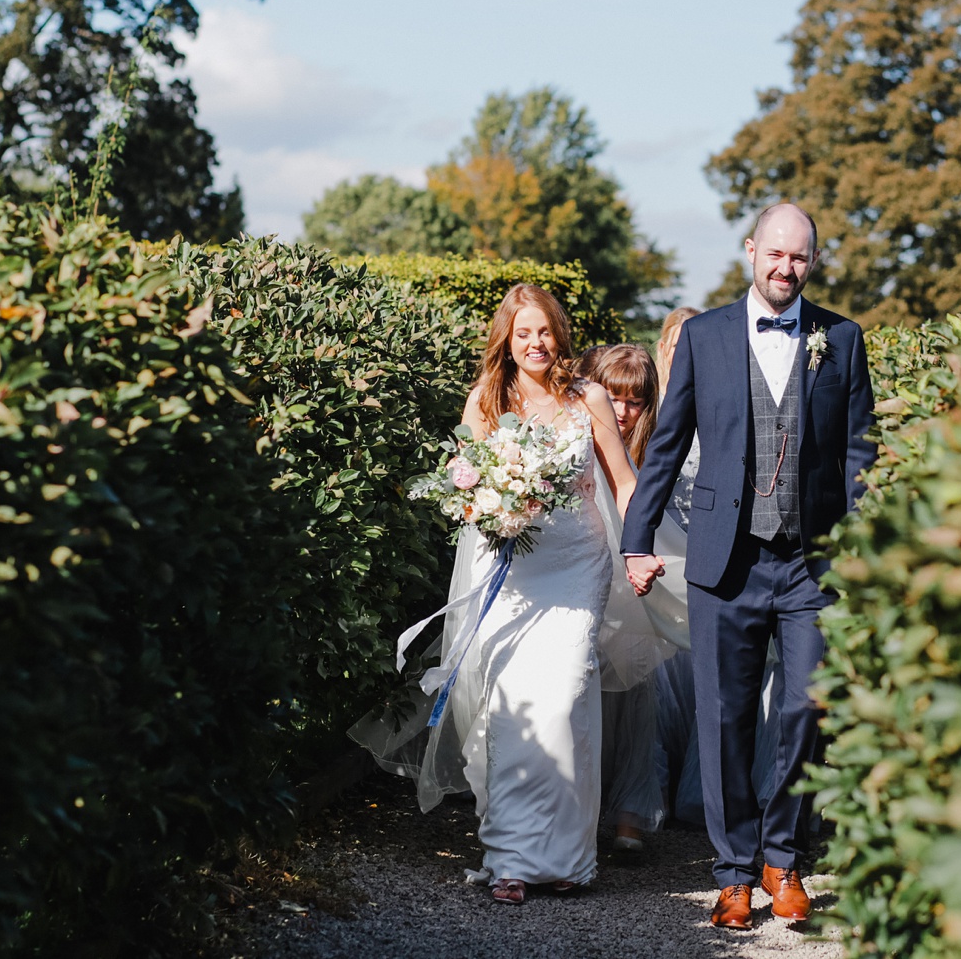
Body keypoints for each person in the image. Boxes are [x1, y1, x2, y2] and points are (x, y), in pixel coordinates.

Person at [622, 204, 876, 929]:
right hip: (724, 558)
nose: (785, 268)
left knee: (804, 707)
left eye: (799, 257)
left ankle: (782, 858)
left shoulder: (843, 339)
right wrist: (638, 539)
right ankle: (733, 872)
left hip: (810, 562)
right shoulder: (703, 336)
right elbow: (667, 445)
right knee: (727, 716)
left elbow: (860, 451)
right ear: (750, 251)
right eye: (775, 254)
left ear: (813, 262)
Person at [361, 284, 640, 907]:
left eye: (545, 332)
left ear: (558, 336)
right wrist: (493, 502)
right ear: (507, 342)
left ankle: (568, 856)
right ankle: (512, 858)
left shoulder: (586, 398)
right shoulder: (485, 402)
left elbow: (623, 483)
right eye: (523, 334)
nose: (536, 343)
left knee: (566, 696)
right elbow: (464, 489)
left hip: (576, 566)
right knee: (512, 707)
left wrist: (638, 549)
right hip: (510, 572)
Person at [575, 344, 665, 851]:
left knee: (637, 691)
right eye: (616, 398)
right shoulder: (572, 439)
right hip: (582, 571)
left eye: (637, 401)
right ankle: (584, 808)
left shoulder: (653, 450)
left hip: (632, 581)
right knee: (586, 692)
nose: (625, 412)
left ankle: (632, 808)